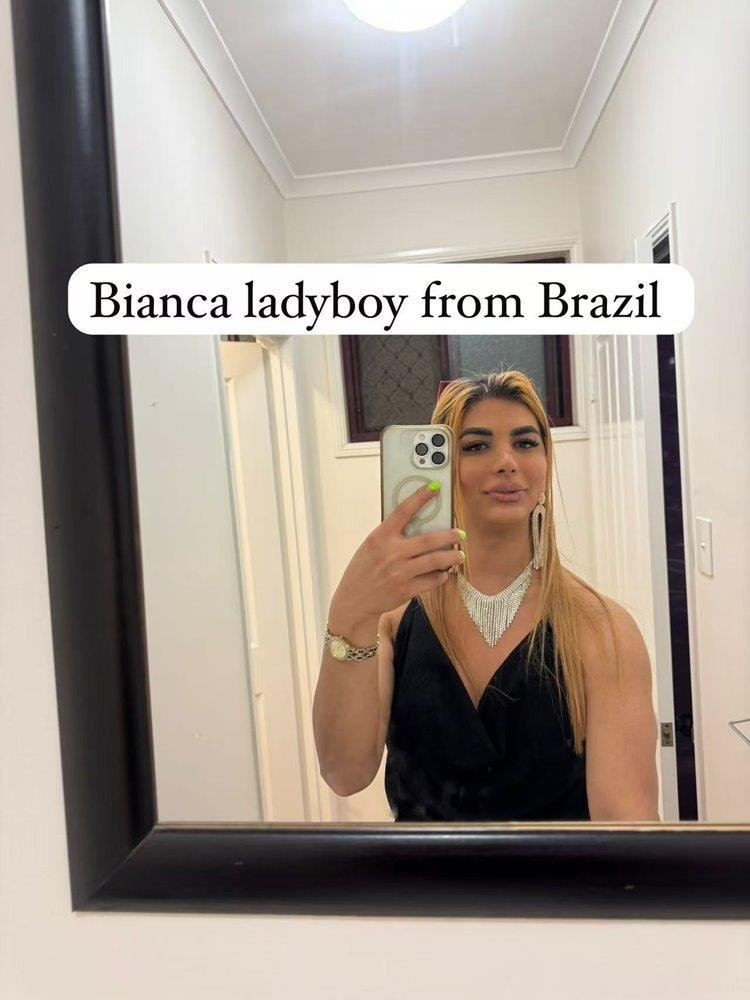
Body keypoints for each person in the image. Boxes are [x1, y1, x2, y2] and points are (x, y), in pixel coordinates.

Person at [313, 371, 660, 822]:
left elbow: (628, 827)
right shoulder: (393, 621)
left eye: (525, 442)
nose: (506, 462)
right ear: (443, 469)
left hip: (560, 870)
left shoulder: (602, 629)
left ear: (546, 462)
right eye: (476, 446)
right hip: (419, 869)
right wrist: (349, 612)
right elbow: (344, 774)